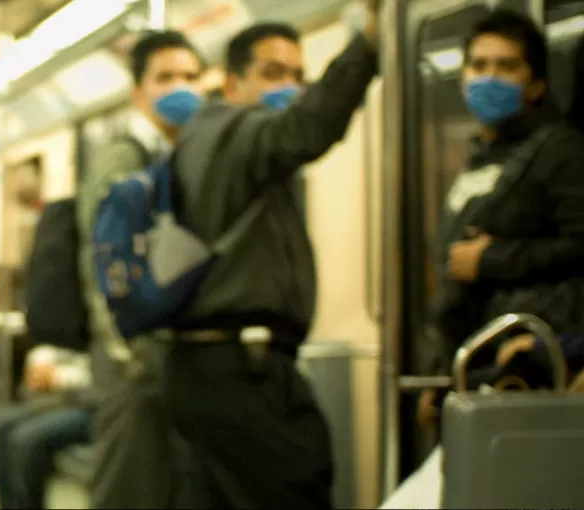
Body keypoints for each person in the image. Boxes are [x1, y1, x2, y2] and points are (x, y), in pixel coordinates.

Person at [142, 2, 380, 507]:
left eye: (297, 75)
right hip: (243, 374)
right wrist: (368, 44)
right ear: (231, 85)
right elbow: (306, 129)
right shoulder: (234, 133)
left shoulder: (206, 141)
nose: (288, 87)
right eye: (272, 73)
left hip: (210, 370)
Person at [418, 9, 584, 427]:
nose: (489, 78)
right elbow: (457, 285)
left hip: (533, 359)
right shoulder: (477, 161)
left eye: (506, 66)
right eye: (478, 65)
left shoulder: (559, 150)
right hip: (476, 361)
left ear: (536, 83)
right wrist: (440, 376)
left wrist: (493, 260)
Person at [75, 29, 207, 509]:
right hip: (130, 356)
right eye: (165, 77)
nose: (180, 87)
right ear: (138, 92)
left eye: (191, 76)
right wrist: (123, 351)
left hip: (164, 352)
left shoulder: (183, 156)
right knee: (130, 487)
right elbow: (100, 260)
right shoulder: (125, 158)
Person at [0, 345, 93, 509]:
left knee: (25, 439)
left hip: (97, 405)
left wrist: (60, 376)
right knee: (3, 429)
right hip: (70, 398)